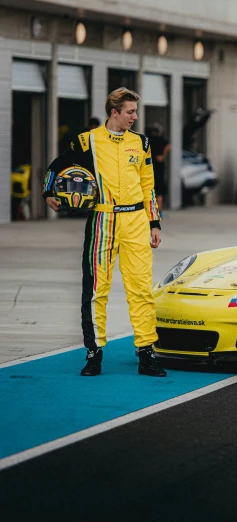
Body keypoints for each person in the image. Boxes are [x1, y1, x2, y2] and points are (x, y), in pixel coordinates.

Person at [43, 87, 166, 377]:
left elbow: (149, 186)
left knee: (142, 289)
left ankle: (146, 354)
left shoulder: (142, 142)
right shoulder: (88, 141)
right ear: (115, 112)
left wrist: (154, 222)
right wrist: (49, 191)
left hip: (136, 220)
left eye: (135, 111)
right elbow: (56, 166)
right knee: (96, 290)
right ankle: (94, 353)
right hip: (102, 220)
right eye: (130, 112)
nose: (135, 117)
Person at [147, 123, 171, 211]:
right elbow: (168, 146)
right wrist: (163, 156)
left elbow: (168, 146)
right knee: (158, 189)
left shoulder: (149, 139)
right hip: (154, 166)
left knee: (156, 188)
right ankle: (157, 209)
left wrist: (162, 156)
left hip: (153, 166)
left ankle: (156, 209)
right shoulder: (157, 139)